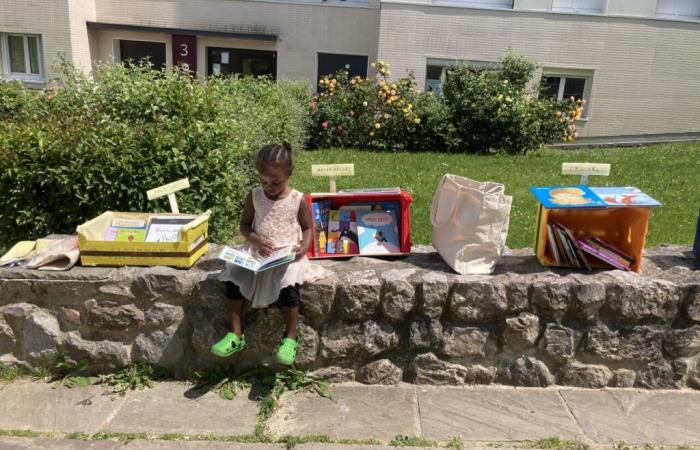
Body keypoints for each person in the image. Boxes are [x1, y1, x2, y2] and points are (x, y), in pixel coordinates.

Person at [211, 141, 328, 365]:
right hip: (259, 251)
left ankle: (291, 337)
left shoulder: (297, 199)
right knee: (233, 277)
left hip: (287, 253)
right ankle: (236, 334)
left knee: (288, 283)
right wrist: (256, 240)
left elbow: (307, 228)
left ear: (289, 174)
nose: (270, 186)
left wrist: (302, 249)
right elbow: (244, 226)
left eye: (276, 182)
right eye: (264, 181)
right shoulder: (254, 196)